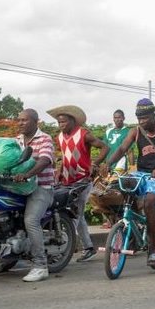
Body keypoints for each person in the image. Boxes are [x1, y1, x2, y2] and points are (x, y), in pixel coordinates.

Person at [104, 98, 155, 267]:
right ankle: (132, 225)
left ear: (153, 115)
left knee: (150, 202)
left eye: (145, 118)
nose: (142, 122)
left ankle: (153, 249)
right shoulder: (135, 131)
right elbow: (122, 148)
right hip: (141, 173)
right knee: (122, 185)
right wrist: (108, 163)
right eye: (139, 118)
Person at [0, 109, 55, 282]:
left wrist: (29, 173)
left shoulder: (44, 139)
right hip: (19, 188)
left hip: (41, 187)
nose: (20, 123)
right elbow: (5, 161)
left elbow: (44, 160)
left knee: (30, 220)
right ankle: (6, 258)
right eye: (18, 120)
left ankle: (40, 266)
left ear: (35, 121)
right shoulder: (15, 141)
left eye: (24, 120)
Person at [48, 105, 109, 262]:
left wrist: (95, 163)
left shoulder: (84, 134)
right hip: (66, 181)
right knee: (77, 215)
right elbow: (66, 155)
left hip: (82, 181)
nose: (61, 125)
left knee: (74, 216)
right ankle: (88, 248)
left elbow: (105, 147)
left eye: (64, 122)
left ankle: (62, 251)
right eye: (59, 122)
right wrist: (61, 170)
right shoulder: (60, 137)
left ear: (73, 121)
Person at [98, 109, 133, 228]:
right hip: (109, 165)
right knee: (102, 191)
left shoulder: (128, 132)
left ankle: (118, 218)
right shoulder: (108, 132)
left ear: (123, 118)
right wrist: (103, 163)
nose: (117, 119)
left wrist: (132, 168)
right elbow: (105, 148)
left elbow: (130, 151)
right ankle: (109, 219)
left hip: (121, 165)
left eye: (119, 117)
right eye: (115, 117)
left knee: (114, 190)